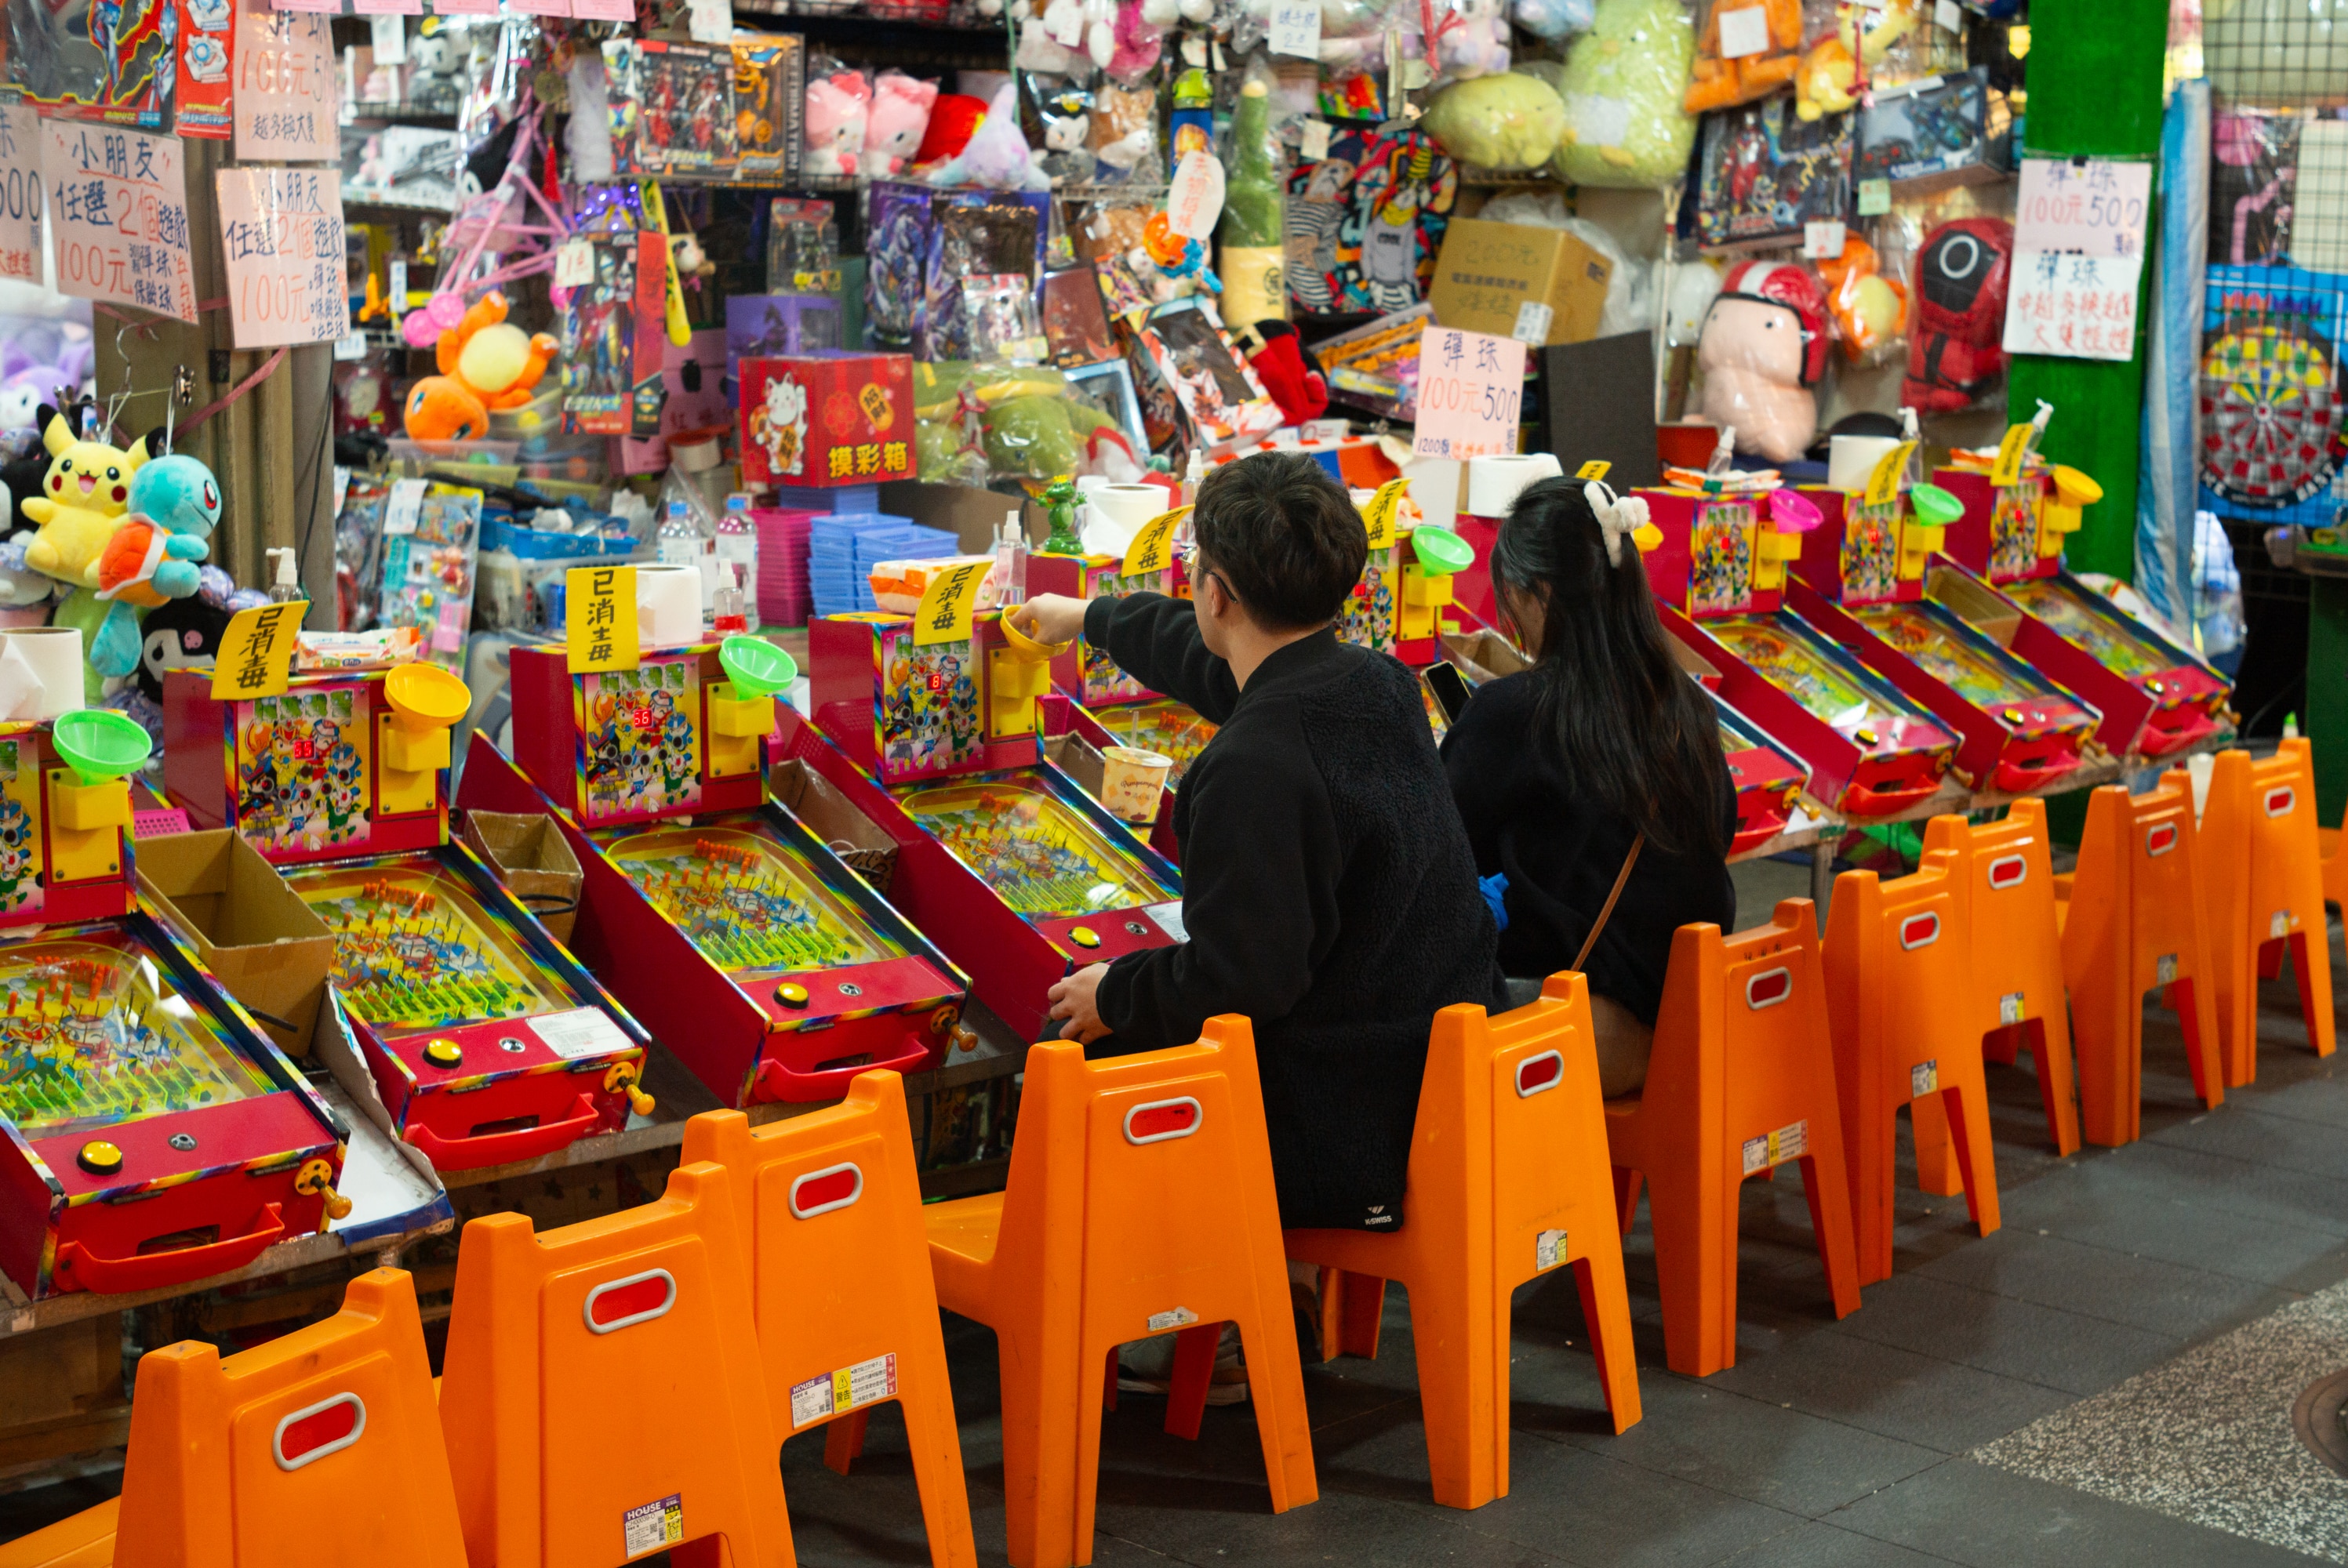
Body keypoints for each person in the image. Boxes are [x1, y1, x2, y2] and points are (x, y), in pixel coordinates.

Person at [1017, 450, 1506, 1234]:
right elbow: (1226, 668)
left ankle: (1180, 1311)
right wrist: (1092, 619)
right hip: (1442, 1075)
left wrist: (1111, 992)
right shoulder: (1375, 682)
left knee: (1076, 1040)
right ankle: (1277, 1299)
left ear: (1215, 591)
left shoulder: (1254, 764)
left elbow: (1240, 978)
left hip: (1348, 1125)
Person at [1440, 476, 1736, 1098]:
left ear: (1540, 593)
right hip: (1689, 1024)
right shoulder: (1685, 703)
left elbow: (1433, 847)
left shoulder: (1514, 712)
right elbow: (1721, 831)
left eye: (1512, 596)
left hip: (1571, 1040)